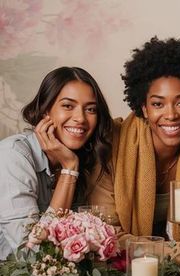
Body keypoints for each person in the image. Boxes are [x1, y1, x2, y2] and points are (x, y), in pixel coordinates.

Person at [89, 37, 180, 244]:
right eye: (158, 104)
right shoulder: (110, 142)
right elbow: (108, 233)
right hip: (120, 267)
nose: (171, 115)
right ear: (144, 108)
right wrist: (178, 253)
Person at [0, 66, 112, 259]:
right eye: (68, 106)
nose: (80, 118)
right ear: (45, 111)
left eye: (91, 109)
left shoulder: (87, 159)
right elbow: (31, 253)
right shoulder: (13, 156)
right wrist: (69, 170)